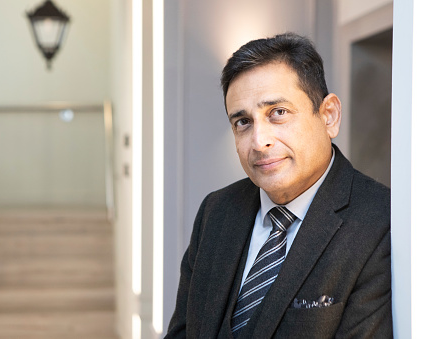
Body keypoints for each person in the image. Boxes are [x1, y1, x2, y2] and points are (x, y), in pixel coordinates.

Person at [165, 32, 392, 338]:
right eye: (243, 122)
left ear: (329, 116)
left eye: (278, 113)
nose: (259, 142)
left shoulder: (381, 222)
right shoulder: (216, 211)